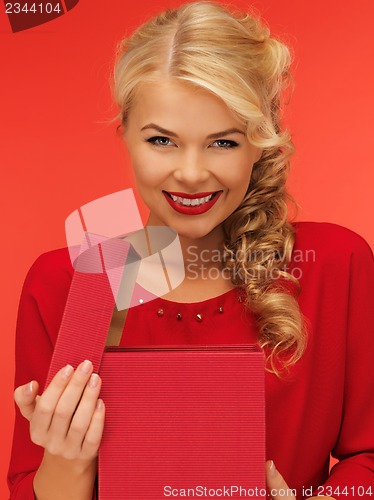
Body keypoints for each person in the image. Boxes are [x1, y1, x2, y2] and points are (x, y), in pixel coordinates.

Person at [8, 1, 374, 499]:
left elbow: (368, 459)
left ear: (259, 143)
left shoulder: (336, 263)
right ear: (125, 136)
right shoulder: (73, 282)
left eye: (222, 143)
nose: (192, 173)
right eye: (162, 140)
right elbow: (35, 486)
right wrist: (66, 460)